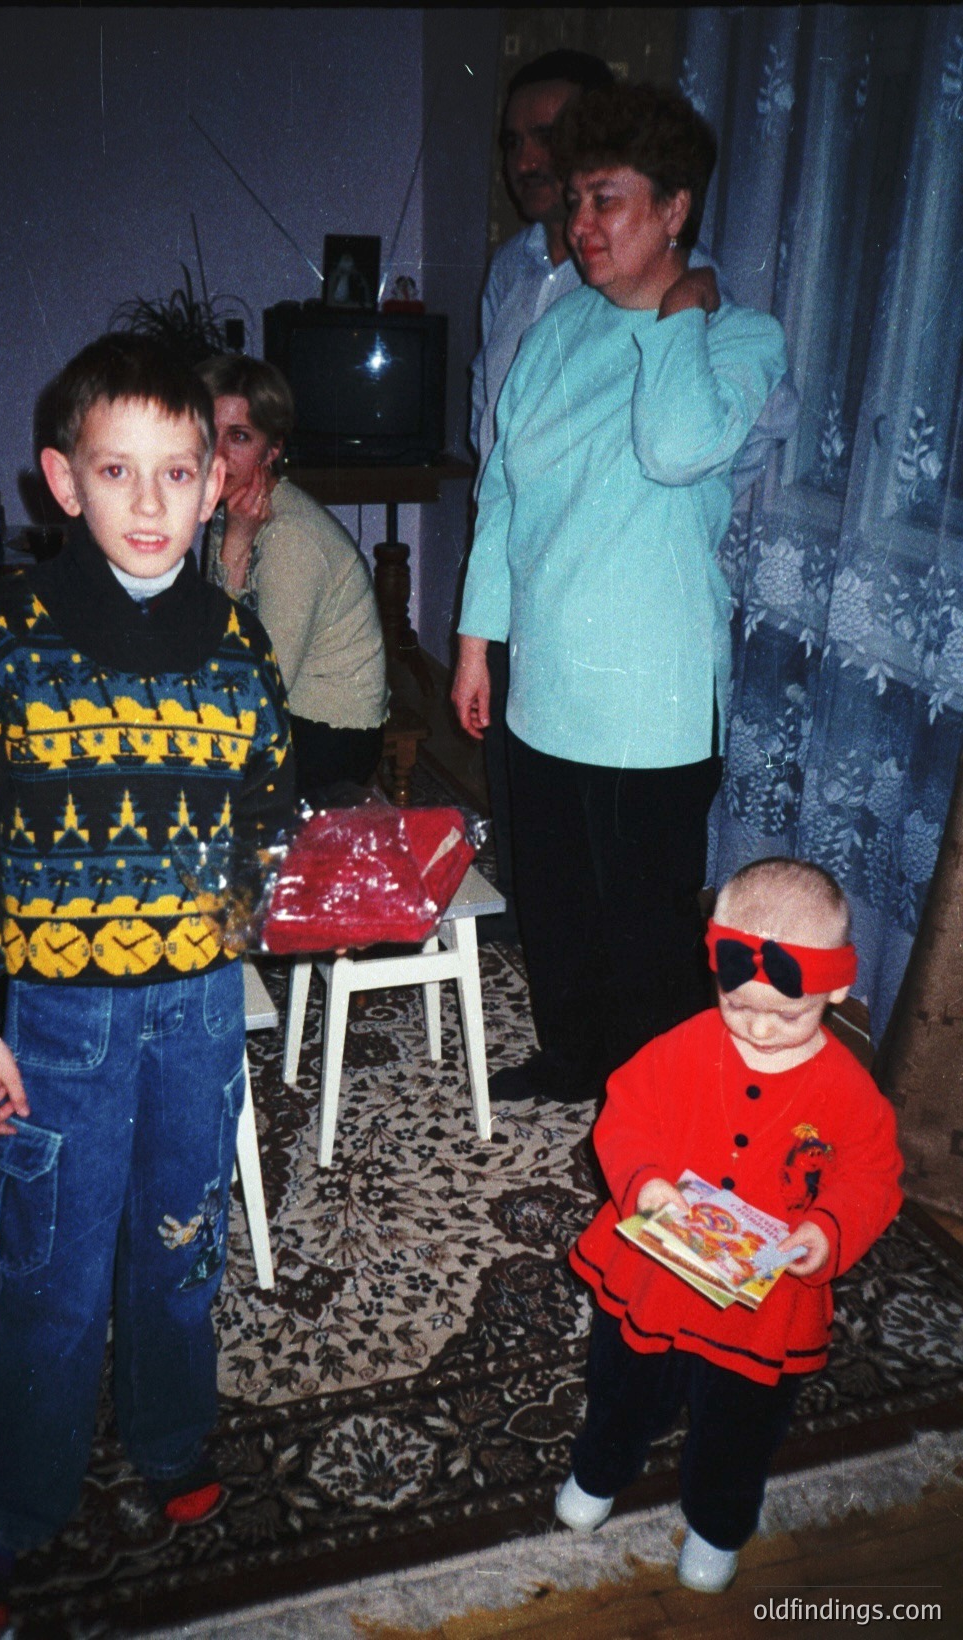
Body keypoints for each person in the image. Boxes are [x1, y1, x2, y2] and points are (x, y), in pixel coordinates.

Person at [0, 333, 294, 1634]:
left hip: (195, 1009)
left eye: (177, 472)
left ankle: (173, 1441)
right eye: (116, 471)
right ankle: (7, 1509)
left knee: (182, 1246)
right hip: (56, 1016)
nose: (146, 502)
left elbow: (266, 810)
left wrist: (252, 919)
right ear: (61, 480)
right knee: (50, 1271)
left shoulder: (241, 651)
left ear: (213, 486)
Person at [453, 84, 789, 1107]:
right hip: (545, 673)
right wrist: (475, 642)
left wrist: (680, 318)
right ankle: (569, 1055)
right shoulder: (558, 332)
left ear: (674, 210)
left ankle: (652, 1094)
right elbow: (505, 489)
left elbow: (676, 444)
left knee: (640, 915)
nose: (580, 225)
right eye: (575, 204)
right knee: (550, 892)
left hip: (652, 698)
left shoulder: (739, 338)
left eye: (607, 201)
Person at [558, 858, 903, 1592]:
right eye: (738, 1002)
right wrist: (645, 1183)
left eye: (787, 1013)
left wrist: (829, 1232)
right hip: (653, 1279)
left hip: (764, 1307)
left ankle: (718, 1525)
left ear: (836, 988)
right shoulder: (685, 1045)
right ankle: (599, 1471)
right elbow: (624, 1115)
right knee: (621, 1385)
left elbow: (872, 1173)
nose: (759, 1027)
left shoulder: (848, 1087)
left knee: (740, 1428)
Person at [197, 354, 389, 803]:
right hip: (288, 711)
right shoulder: (232, 511)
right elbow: (211, 635)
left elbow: (257, 689)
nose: (218, 454)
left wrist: (233, 549)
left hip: (330, 734)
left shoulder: (289, 537)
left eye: (240, 437)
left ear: (273, 449)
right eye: (210, 433)